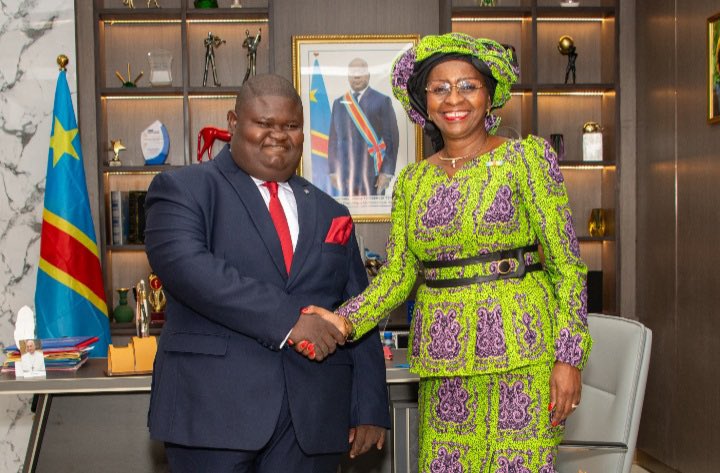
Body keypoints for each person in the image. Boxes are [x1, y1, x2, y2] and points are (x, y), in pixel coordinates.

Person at [301, 33, 592, 472]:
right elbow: (398, 275)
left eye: (468, 86)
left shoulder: (526, 160)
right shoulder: (413, 182)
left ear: (489, 95)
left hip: (524, 354)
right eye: (440, 88)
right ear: (425, 102)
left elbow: (567, 265)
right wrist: (343, 320)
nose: (454, 98)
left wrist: (568, 358)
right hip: (444, 359)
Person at [144, 74, 390, 473]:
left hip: (312, 421)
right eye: (264, 123)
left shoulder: (332, 212)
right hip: (211, 415)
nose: (278, 135)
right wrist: (291, 321)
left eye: (291, 125)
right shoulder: (182, 189)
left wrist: (370, 405)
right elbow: (190, 269)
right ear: (233, 122)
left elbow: (356, 308)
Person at [328, 57, 399, 196]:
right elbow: (333, 140)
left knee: (374, 210)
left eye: (360, 72)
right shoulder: (339, 103)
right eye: (352, 73)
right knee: (345, 209)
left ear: (368, 75)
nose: (356, 76)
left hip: (374, 173)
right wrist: (333, 170)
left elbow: (391, 140)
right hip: (346, 174)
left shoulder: (382, 101)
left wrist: (386, 172)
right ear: (348, 76)